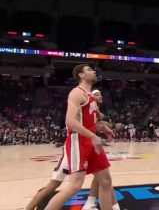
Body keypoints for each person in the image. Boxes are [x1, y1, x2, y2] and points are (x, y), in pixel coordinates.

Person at [26, 89, 119, 210]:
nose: (100, 96)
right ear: (90, 96)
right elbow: (88, 126)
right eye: (97, 94)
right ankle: (28, 208)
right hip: (74, 150)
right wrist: (106, 126)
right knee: (55, 185)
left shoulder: (94, 111)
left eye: (101, 94)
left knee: (101, 174)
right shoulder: (85, 108)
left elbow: (95, 125)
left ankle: (92, 203)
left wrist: (104, 123)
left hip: (84, 148)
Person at [45, 64, 115, 210]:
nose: (94, 71)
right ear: (81, 75)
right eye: (89, 70)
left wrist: (103, 128)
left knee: (106, 181)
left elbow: (89, 124)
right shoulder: (77, 93)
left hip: (91, 141)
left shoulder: (90, 96)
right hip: (78, 142)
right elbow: (70, 121)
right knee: (75, 186)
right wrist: (93, 136)